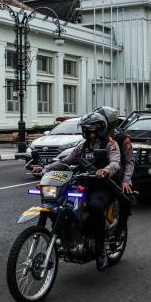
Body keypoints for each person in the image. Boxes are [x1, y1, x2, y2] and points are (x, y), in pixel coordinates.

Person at [34, 111, 121, 271]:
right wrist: (45, 168)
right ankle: (64, 235)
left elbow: (116, 162)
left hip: (103, 185)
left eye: (89, 129)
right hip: (84, 182)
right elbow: (65, 161)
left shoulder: (110, 143)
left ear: (100, 128)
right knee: (60, 202)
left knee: (95, 206)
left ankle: (101, 250)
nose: (86, 132)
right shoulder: (82, 146)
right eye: (85, 129)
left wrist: (106, 170)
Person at [94, 106, 135, 195]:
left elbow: (130, 161)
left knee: (124, 199)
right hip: (100, 175)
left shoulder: (122, 138)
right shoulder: (98, 137)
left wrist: (126, 180)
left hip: (119, 175)